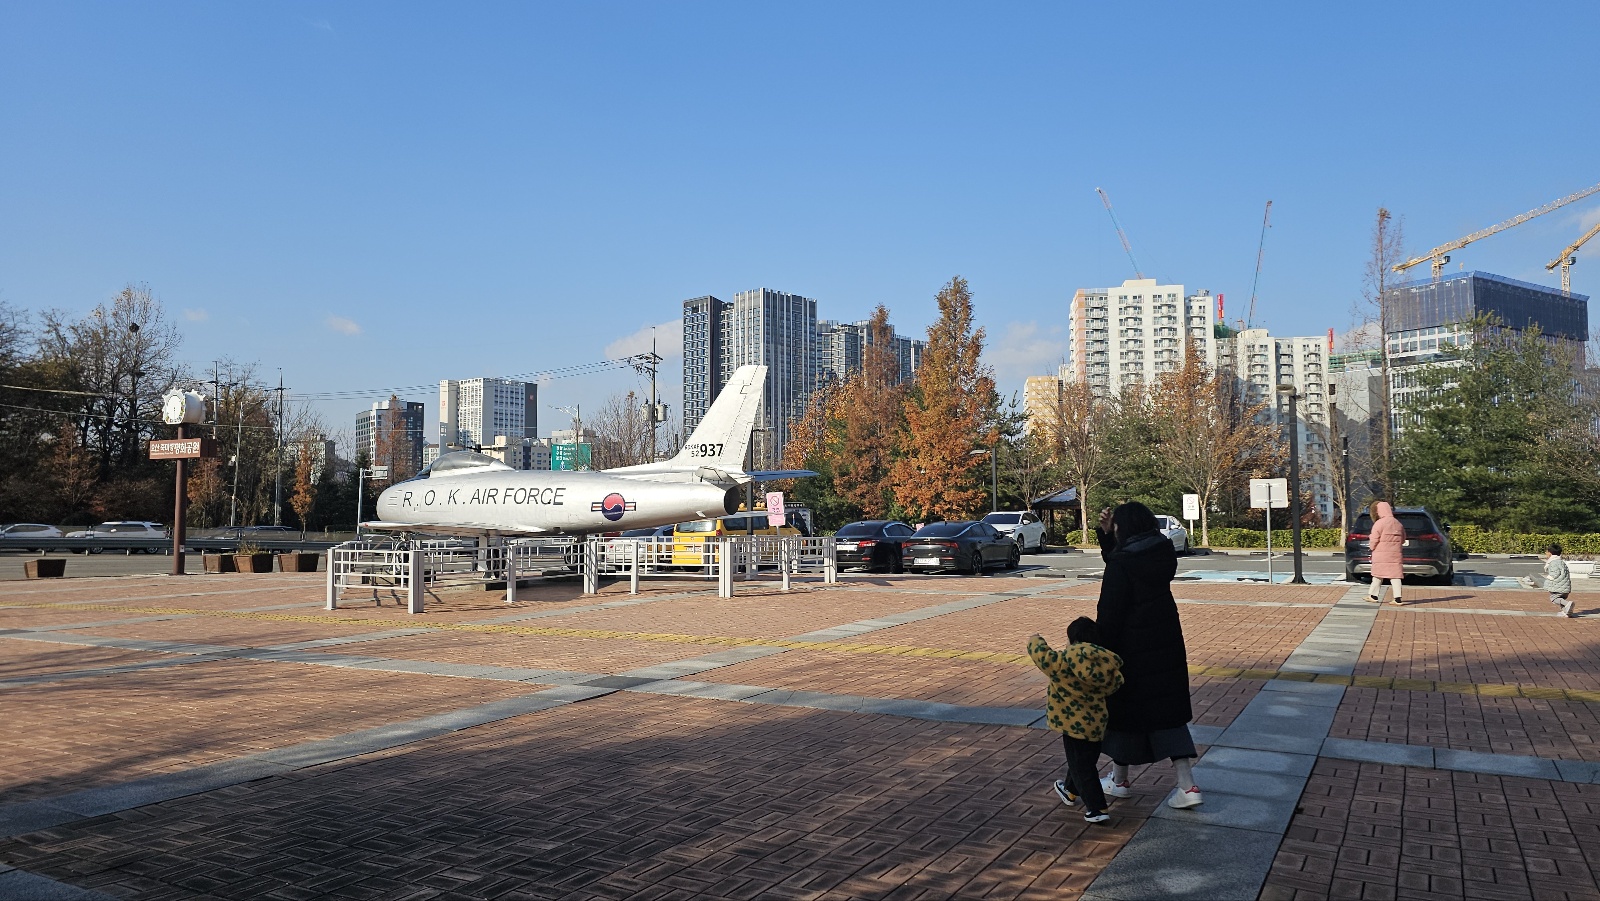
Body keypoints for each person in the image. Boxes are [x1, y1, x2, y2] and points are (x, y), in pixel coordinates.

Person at [1094, 501, 1203, 810]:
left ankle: (1121, 782)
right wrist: (1108, 537)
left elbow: (1110, 611)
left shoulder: (1123, 563)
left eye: (1116, 526)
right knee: (1167, 715)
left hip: (1130, 649)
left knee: (1123, 713)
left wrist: (1099, 647)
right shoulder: (1161, 552)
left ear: (1125, 528)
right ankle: (1186, 786)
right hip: (1165, 644)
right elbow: (1125, 560)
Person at [1029, 616, 1124, 824]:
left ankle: (1097, 808)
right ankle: (1070, 790)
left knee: (1083, 767)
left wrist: (1035, 639)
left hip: (1073, 724)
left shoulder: (1065, 660)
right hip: (1096, 724)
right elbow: (1116, 683)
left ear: (1074, 640)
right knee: (1082, 761)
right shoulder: (1103, 663)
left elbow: (1043, 657)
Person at [1365, 501, 1406, 606]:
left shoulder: (1379, 523)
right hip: (1395, 554)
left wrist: (1372, 547)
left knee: (1377, 575)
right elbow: (1403, 539)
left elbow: (1374, 539)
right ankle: (1397, 598)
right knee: (1395, 576)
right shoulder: (1398, 523)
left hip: (1381, 554)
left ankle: (1373, 596)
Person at [1521, 543, 1573, 617]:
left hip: (1557, 586)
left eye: (1547, 552)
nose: (1546, 553)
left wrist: (1548, 579)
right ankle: (1566, 612)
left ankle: (1567, 604)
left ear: (1550, 553)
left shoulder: (1554, 562)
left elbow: (1554, 574)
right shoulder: (1561, 562)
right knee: (1561, 599)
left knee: (1554, 598)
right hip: (1565, 586)